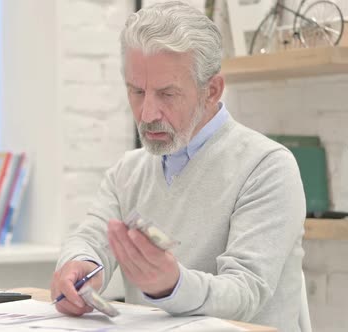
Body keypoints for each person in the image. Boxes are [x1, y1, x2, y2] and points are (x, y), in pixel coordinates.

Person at [50, 2, 306, 332]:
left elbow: (245, 292)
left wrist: (172, 284)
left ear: (211, 91)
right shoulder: (129, 171)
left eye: (167, 94)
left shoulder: (267, 167)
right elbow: (90, 237)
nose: (147, 114)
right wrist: (79, 265)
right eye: (137, 91)